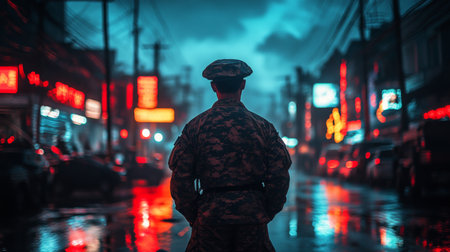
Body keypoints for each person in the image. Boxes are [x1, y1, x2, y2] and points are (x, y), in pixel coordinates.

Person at [169, 59, 291, 252]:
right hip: (252, 219)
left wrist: (197, 215)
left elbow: (180, 181)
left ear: (213, 86)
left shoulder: (195, 128)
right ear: (243, 84)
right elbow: (279, 177)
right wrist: (263, 211)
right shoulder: (263, 127)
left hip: (210, 220)